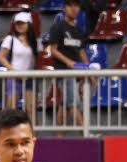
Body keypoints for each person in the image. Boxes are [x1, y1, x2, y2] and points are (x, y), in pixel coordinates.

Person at [48, 0, 88, 128]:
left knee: (64, 105)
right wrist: (68, 62)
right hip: (64, 72)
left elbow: (81, 52)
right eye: (70, 5)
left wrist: (90, 71)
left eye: (76, 5)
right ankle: (86, 135)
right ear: (64, 8)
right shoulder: (58, 27)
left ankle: (59, 138)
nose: (74, 8)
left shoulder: (78, 30)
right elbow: (53, 50)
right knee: (73, 103)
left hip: (75, 73)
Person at [0, 11, 39, 124]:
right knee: (11, 109)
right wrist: (13, 70)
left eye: (22, 23)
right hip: (13, 77)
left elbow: (34, 61)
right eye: (17, 24)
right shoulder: (10, 39)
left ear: (29, 24)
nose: (19, 26)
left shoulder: (34, 42)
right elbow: (1, 57)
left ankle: (33, 136)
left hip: (29, 77)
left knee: (31, 108)